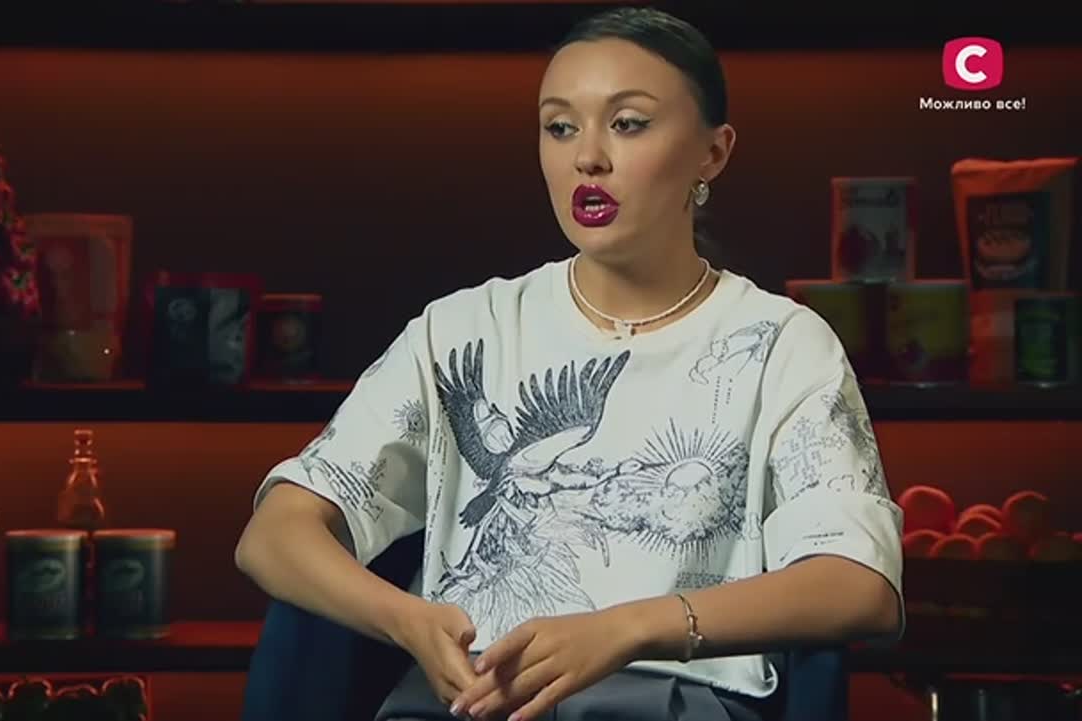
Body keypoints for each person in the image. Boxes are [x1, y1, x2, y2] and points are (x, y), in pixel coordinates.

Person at [235, 7, 904, 721]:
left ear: (713, 153)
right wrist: (406, 620)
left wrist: (627, 628)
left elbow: (859, 583)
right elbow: (274, 534)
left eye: (628, 123)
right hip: (469, 703)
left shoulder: (780, 344)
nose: (588, 157)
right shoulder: (462, 330)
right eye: (560, 127)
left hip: (671, 704)